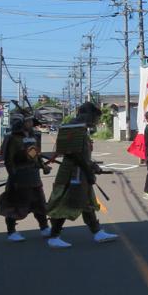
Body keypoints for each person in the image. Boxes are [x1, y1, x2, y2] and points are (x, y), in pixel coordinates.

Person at [45, 103, 118, 247]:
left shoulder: (80, 128)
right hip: (73, 173)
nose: (96, 121)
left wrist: (92, 165)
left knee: (87, 203)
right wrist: (88, 171)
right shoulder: (75, 128)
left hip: (80, 171)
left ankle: (97, 232)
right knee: (67, 204)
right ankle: (54, 236)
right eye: (96, 118)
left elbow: (81, 154)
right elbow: (75, 155)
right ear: (88, 115)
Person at [0, 116, 50, 241]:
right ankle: (11, 232)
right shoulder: (13, 138)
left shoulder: (34, 136)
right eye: (28, 121)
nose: (31, 123)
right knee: (16, 204)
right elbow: (9, 160)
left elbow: (37, 155)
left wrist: (43, 167)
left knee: (40, 203)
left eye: (31, 121)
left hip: (34, 176)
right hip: (19, 176)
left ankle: (44, 227)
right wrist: (13, 176)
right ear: (21, 123)